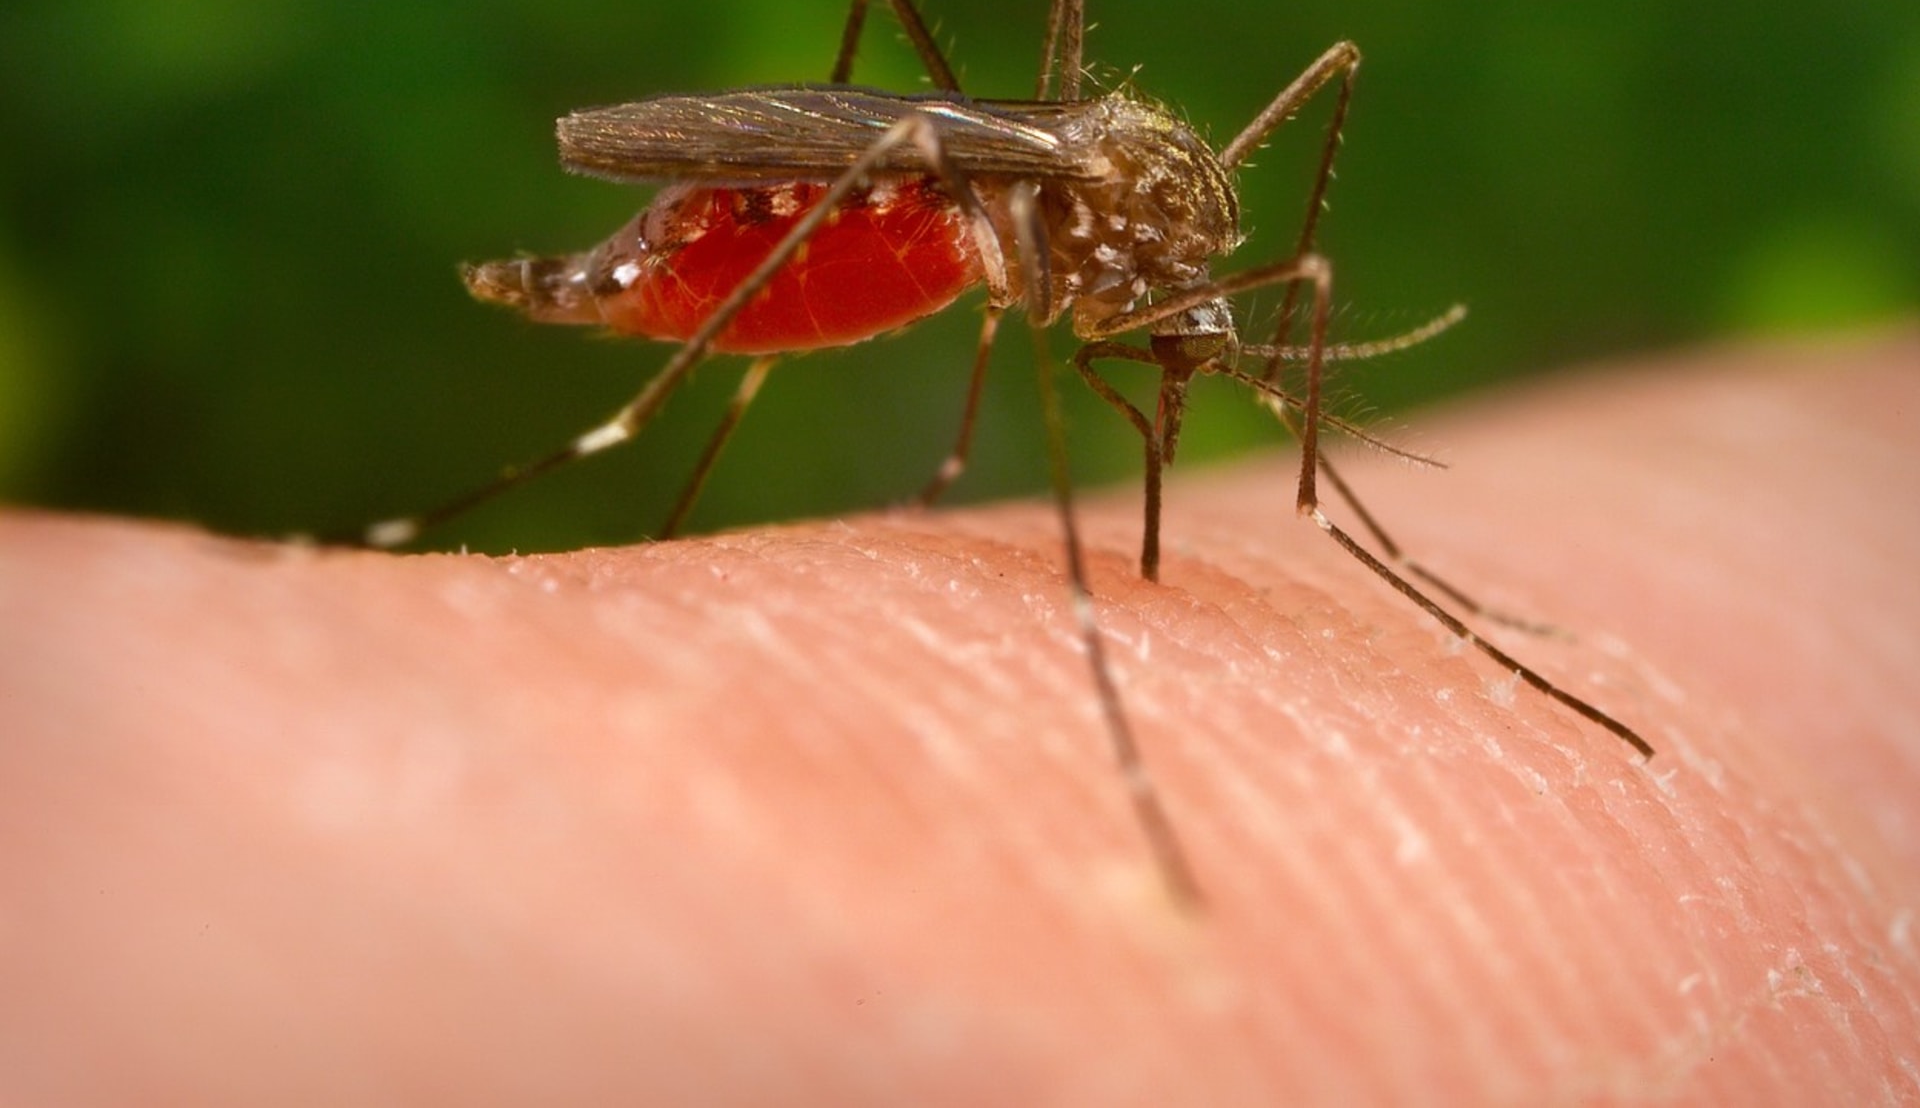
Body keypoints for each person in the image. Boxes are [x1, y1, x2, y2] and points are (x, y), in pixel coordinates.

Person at [3, 334, 1916, 1102]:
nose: (1184, 386)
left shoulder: (1194, 283)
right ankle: (621, 441)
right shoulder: (1075, 243)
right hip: (892, 192)